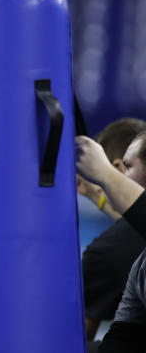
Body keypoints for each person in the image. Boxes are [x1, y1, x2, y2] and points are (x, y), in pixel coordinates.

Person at [77, 131, 146, 352]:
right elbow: (121, 343)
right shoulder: (140, 266)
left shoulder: (106, 253)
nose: (122, 176)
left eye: (128, 166)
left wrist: (105, 174)